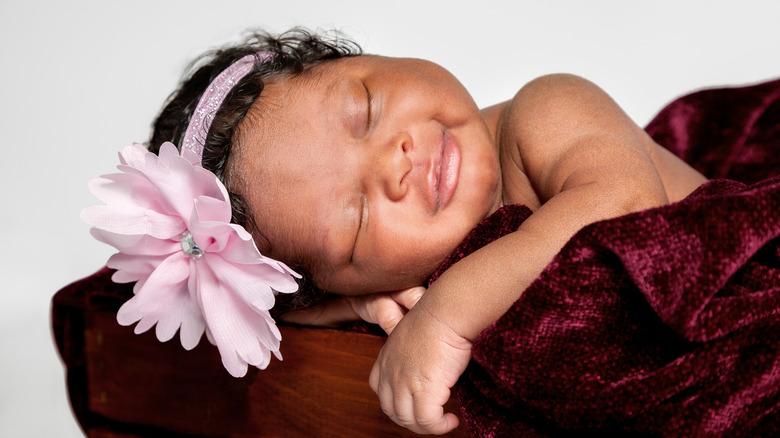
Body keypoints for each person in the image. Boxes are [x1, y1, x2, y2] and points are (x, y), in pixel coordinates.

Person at [134, 28, 708, 434]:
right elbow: (271, 313)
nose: (395, 162)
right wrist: (351, 305)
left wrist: (442, 319)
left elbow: (626, 208)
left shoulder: (547, 109)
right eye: (355, 221)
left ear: (362, 54)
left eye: (365, 108)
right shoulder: (395, 269)